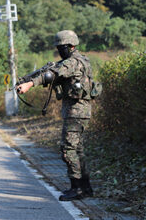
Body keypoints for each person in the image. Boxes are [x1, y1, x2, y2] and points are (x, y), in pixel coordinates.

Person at [16, 30, 95, 201]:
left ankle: (77, 188)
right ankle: (85, 187)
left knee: (68, 149)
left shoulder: (73, 62)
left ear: (71, 46)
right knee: (77, 150)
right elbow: (52, 72)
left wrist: (30, 84)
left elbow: (52, 74)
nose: (59, 50)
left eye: (62, 47)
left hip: (76, 112)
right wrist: (28, 78)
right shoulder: (79, 60)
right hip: (78, 112)